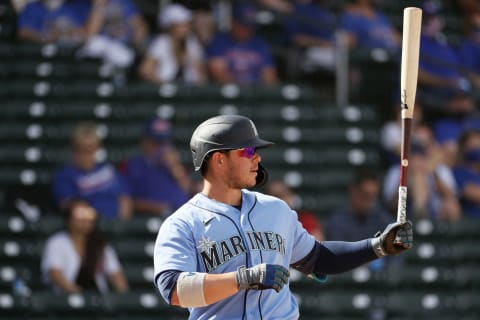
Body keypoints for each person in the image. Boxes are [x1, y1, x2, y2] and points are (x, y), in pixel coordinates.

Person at [153, 115, 412, 319]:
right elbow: (175, 290)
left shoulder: (276, 210)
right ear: (219, 160)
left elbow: (318, 259)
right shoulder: (182, 223)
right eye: (247, 151)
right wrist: (243, 279)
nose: (257, 157)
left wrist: (377, 247)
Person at [41, 201, 129, 293]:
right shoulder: (57, 242)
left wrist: (124, 297)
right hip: (65, 297)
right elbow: (55, 273)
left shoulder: (100, 243)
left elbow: (115, 273)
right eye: (79, 214)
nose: (84, 219)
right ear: (68, 219)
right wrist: (78, 294)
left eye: (88, 214)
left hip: (97, 297)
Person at [52, 122, 132, 219]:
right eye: (81, 149)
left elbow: (125, 199)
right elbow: (69, 206)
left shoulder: (109, 170)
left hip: (116, 226)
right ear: (73, 149)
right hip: (87, 227)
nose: (86, 154)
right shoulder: (64, 175)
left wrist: (120, 226)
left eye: (90, 148)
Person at [384, 125, 461, 222]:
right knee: (417, 177)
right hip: (403, 215)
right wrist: (407, 178)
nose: (418, 158)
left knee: (452, 206)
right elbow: (391, 205)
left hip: (436, 213)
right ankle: (420, 213)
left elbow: (451, 196)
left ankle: (423, 215)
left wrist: (433, 173)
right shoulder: (396, 170)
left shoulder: (439, 169)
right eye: (414, 154)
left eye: (421, 155)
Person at [121, 118, 192, 217]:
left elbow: (187, 190)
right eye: (156, 143)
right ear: (144, 141)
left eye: (165, 143)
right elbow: (126, 200)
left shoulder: (175, 164)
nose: (161, 148)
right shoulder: (132, 165)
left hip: (183, 217)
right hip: (151, 218)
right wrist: (155, 207)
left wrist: (175, 167)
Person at [417, 0, 474, 114]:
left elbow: (462, 72)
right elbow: (416, 75)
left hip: (460, 99)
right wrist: (448, 83)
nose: (430, 22)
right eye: (426, 18)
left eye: (433, 18)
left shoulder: (444, 43)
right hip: (436, 104)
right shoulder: (418, 42)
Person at [206, 1, 278, 85]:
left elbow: (269, 74)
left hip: (256, 91)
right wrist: (242, 89)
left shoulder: (259, 42)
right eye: (244, 25)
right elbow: (218, 72)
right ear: (234, 23)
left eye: (250, 25)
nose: (247, 29)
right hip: (230, 91)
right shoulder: (220, 41)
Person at [138, 4, 206, 85]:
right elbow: (145, 70)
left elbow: (201, 72)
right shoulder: (162, 42)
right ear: (171, 27)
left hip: (188, 91)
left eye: (187, 24)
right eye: (182, 25)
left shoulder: (192, 43)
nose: (187, 28)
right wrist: (164, 84)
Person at [79, 0, 148, 68]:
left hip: (124, 45)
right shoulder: (86, 5)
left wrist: (135, 47)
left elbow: (140, 26)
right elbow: (91, 33)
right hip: (104, 44)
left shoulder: (122, 2)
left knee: (125, 57)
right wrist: (99, 6)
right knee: (94, 43)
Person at [284, 0, 337, 73]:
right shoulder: (301, 9)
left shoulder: (329, 13)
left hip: (330, 51)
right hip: (306, 53)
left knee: (349, 59)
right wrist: (322, 43)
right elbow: (296, 38)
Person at [17, 0, 89, 45]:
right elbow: (23, 32)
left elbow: (84, 34)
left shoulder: (74, 7)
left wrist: (63, 32)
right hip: (41, 50)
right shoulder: (32, 7)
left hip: (70, 53)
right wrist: (44, 37)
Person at [453, 129, 480, 218]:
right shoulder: (459, 171)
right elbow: (472, 193)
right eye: (474, 146)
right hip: (472, 223)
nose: (477, 149)